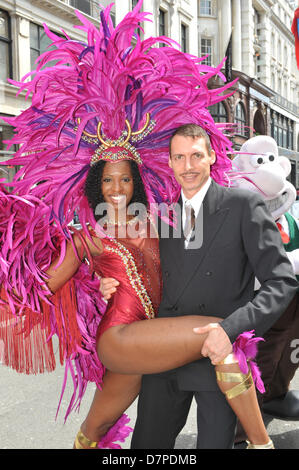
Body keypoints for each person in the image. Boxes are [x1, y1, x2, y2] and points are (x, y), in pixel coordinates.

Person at [0, 2, 295, 451]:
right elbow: (43, 286)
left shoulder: (159, 218)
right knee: (218, 333)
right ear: (97, 185)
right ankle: (261, 444)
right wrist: (22, 267)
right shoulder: (88, 232)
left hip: (161, 344)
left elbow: (211, 262)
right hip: (126, 339)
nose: (117, 188)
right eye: (108, 180)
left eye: (125, 179)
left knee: (96, 431)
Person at [101, 124, 298, 450]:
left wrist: (230, 330)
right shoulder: (159, 215)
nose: (187, 166)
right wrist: (112, 284)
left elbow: (281, 281)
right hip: (163, 360)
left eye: (195, 155)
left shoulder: (244, 206)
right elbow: (143, 277)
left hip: (218, 359)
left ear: (211, 157)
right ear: (170, 163)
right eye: (179, 157)